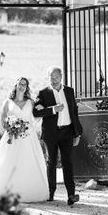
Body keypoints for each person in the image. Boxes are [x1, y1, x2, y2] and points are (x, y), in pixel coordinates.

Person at [0, 77, 48, 202]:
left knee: (27, 162)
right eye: (20, 84)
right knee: (8, 162)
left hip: (28, 137)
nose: (22, 86)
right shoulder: (8, 102)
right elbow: (3, 120)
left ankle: (28, 191)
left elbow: (35, 118)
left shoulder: (31, 102)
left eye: (24, 84)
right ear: (16, 85)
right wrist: (11, 127)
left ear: (26, 87)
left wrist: (40, 111)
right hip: (12, 136)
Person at [33, 66, 83, 206]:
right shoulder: (43, 93)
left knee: (68, 163)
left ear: (61, 76)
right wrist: (53, 109)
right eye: (51, 77)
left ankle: (71, 195)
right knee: (51, 163)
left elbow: (74, 113)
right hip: (51, 133)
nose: (53, 80)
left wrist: (77, 133)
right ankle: (50, 193)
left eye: (56, 77)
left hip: (67, 132)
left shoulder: (69, 91)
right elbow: (36, 113)